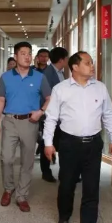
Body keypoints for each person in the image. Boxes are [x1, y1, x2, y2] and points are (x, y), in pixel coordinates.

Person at [43, 51, 112, 223]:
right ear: (75, 67)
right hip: (69, 144)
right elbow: (51, 118)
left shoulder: (100, 88)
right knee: (67, 184)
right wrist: (48, 143)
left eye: (91, 62)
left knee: (92, 188)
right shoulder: (61, 89)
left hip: (93, 144)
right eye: (87, 63)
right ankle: (64, 215)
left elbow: (108, 114)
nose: (91, 66)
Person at [0, 42, 51, 212]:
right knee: (6, 158)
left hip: (30, 122)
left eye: (29, 53)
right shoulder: (5, 77)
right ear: (16, 56)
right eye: (23, 53)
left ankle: (22, 195)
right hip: (10, 120)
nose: (27, 56)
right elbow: (0, 100)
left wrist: (41, 112)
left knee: (27, 160)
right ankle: (8, 188)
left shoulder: (39, 77)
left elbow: (50, 98)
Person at [37, 47, 69, 182]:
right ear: (62, 59)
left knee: (62, 145)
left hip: (62, 116)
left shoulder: (61, 72)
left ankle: (65, 173)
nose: (67, 60)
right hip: (51, 115)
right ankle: (46, 172)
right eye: (66, 58)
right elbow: (46, 96)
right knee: (47, 143)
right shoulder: (47, 74)